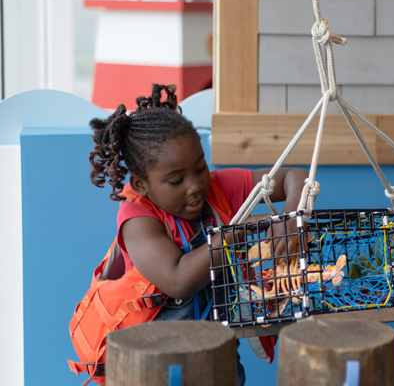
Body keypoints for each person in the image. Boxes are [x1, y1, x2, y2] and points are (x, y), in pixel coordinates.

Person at [89, 84, 308, 386]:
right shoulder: (138, 218)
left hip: (218, 358)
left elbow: (295, 177)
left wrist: (290, 217)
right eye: (176, 180)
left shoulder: (219, 187)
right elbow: (178, 280)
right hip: (157, 367)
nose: (195, 186)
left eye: (200, 168)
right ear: (141, 185)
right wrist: (238, 233)